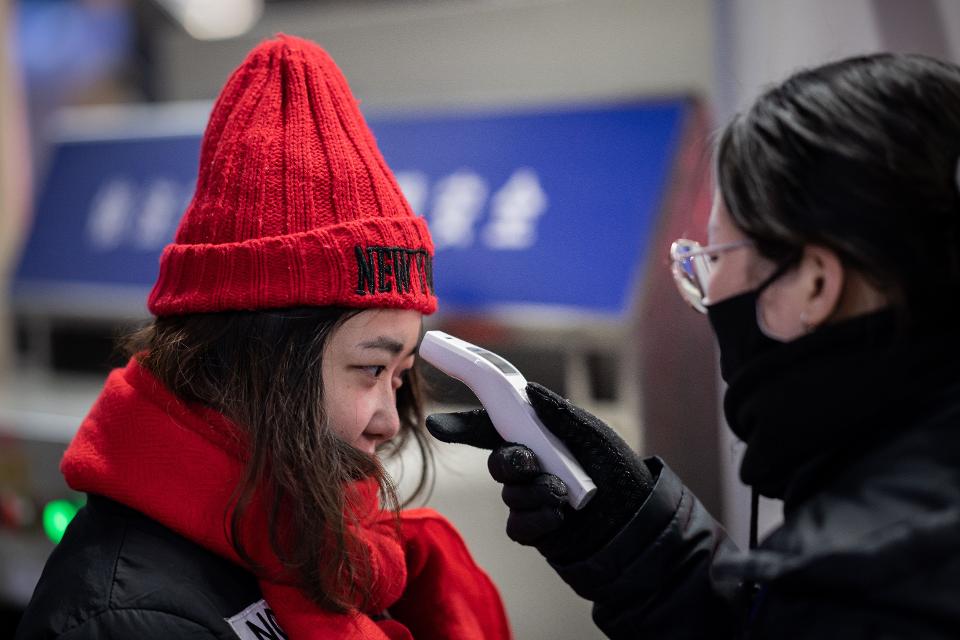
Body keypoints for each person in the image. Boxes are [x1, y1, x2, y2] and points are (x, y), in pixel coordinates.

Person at [428, 52, 960, 638]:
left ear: (814, 283)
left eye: (711, 257)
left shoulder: (864, 586)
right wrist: (633, 531)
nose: (704, 294)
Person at [16, 35, 511, 640]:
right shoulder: (128, 620)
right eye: (370, 370)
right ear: (260, 360)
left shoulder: (325, 550)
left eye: (402, 375)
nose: (389, 419)